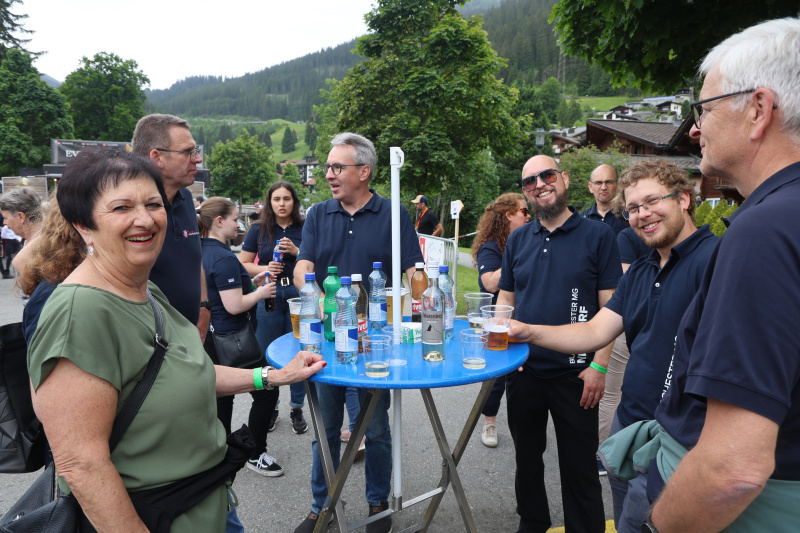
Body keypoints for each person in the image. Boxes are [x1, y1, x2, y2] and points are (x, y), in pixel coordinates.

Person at [26, 148, 325, 532]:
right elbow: (82, 464)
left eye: (153, 204)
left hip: (207, 500)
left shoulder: (144, 290)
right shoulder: (79, 312)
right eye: (122, 208)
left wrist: (273, 376)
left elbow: (188, 370)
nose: (145, 218)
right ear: (83, 225)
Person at [642, 18, 800, 533]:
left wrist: (656, 526)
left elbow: (733, 471)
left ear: (758, 110)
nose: (694, 129)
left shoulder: (765, 231)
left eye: (704, 109)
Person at [509, 158, 717, 533]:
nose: (642, 214)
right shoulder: (642, 270)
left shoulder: (717, 260)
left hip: (680, 433)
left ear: (684, 199)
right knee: (624, 519)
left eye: (652, 201)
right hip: (630, 425)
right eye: (633, 208)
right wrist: (526, 332)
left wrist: (597, 366)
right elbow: (594, 330)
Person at [293, 132, 423, 533]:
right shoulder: (319, 214)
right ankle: (322, 505)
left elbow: (414, 270)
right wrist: (316, 295)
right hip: (328, 340)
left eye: (337, 167)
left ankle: (377, 504)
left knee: (376, 428)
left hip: (373, 342)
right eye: (328, 167)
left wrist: (426, 295)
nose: (328, 175)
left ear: (364, 171)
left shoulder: (393, 213)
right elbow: (303, 268)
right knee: (325, 429)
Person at [497, 155, 620, 533]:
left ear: (564, 179)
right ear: (525, 192)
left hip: (577, 374)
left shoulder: (599, 236)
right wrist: (505, 350)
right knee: (527, 461)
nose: (539, 184)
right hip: (524, 370)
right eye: (529, 181)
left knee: (580, 467)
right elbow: (505, 298)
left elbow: (610, 308)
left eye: (547, 175)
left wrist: (599, 366)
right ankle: (532, 523)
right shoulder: (518, 238)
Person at [198, 197, 285, 478]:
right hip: (234, 339)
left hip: (210, 338)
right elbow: (234, 305)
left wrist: (251, 282)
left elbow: (219, 292)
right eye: (235, 219)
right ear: (219, 221)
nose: (240, 225)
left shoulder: (200, 249)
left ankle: (221, 455)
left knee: (222, 396)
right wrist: (260, 293)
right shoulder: (223, 256)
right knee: (268, 390)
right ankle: (255, 453)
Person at [131, 114, 210, 342]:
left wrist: (204, 306)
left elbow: (194, 257)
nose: (197, 159)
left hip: (189, 336)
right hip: (149, 341)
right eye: (188, 152)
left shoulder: (185, 198)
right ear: (157, 157)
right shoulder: (129, 209)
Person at [239, 181, 309, 435]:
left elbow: (316, 260)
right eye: (276, 199)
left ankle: (297, 407)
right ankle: (272, 405)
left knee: (300, 348)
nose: (281, 204)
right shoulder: (258, 229)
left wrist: (297, 251)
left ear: (294, 202)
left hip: (298, 292)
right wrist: (266, 268)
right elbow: (244, 263)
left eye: (286, 199)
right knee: (267, 351)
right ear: (269, 202)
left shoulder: (305, 227)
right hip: (269, 292)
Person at [469, 192, 529, 448]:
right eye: (524, 211)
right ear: (508, 216)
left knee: (523, 374)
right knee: (495, 377)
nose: (529, 216)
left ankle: (525, 425)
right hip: (497, 321)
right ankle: (489, 423)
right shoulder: (491, 246)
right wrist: (518, 258)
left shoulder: (529, 240)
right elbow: (490, 283)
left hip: (523, 318)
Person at [0, 186, 45, 276]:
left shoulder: (43, 246)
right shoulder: (42, 238)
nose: (4, 223)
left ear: (21, 217)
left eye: (6, 218)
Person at [580, 164, 629, 235]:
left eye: (609, 182)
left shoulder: (628, 218)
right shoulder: (581, 220)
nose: (603, 187)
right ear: (590, 187)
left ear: (617, 185)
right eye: (598, 183)